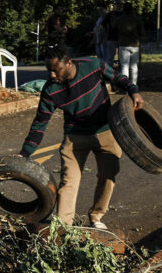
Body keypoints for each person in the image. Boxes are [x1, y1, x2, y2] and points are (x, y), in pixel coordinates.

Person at [19, 43, 144, 229]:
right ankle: (63, 227)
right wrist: (24, 154)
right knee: (69, 182)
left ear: (69, 63)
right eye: (49, 70)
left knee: (108, 176)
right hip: (74, 136)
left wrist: (134, 91)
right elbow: (39, 124)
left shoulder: (92, 65)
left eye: (56, 69)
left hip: (105, 131)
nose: (52, 75)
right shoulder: (50, 90)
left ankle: (96, 217)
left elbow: (118, 77)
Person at [114, 2, 143, 86]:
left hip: (123, 44)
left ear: (123, 9)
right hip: (135, 45)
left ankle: (125, 85)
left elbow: (113, 27)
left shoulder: (119, 19)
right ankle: (134, 85)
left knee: (124, 66)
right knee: (134, 66)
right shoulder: (137, 19)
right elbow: (142, 32)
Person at [102, 0, 124, 69]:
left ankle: (118, 74)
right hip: (111, 39)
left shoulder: (125, 14)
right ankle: (110, 74)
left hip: (122, 39)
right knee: (111, 57)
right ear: (115, 5)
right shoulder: (110, 14)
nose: (119, 5)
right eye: (118, 4)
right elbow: (104, 26)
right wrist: (104, 38)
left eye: (121, 4)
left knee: (119, 58)